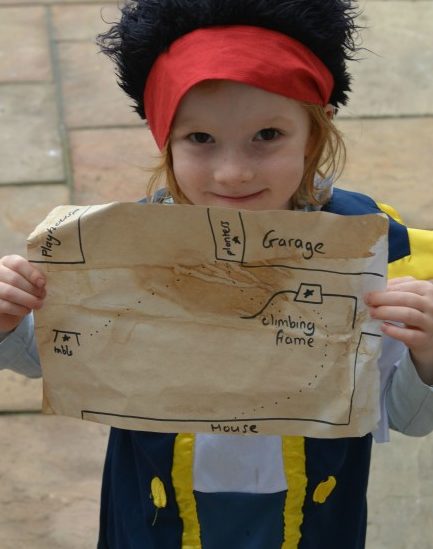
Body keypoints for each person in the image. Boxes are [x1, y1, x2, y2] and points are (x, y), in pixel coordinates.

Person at [1, 1, 433, 547]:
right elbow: (61, 359)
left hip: (314, 511)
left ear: (314, 136)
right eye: (200, 140)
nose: (234, 172)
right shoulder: (121, 251)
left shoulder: (369, 252)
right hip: (156, 509)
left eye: (268, 135)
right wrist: (10, 321)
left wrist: (427, 354)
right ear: (167, 144)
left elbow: (410, 414)